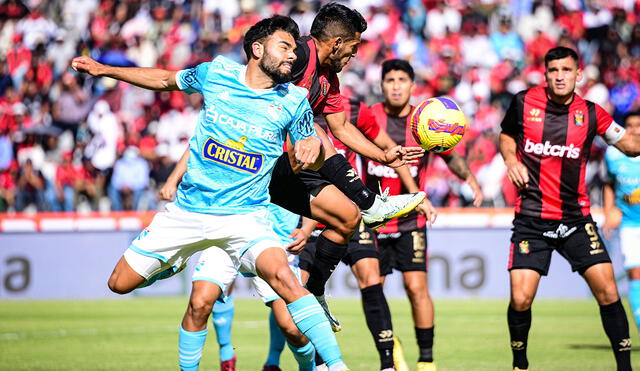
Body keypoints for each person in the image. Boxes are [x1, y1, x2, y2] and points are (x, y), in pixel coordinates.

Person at [72, 15, 351, 371]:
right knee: (119, 283)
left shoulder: (294, 100)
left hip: (246, 217)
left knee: (285, 279)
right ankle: (170, 264)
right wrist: (104, 69)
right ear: (257, 48)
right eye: (284, 47)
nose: (293, 56)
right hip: (188, 213)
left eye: (295, 51)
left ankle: (336, 365)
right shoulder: (215, 74)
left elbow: (309, 138)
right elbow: (163, 79)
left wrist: (311, 144)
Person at [167, 2, 427, 331]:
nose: (355, 56)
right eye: (353, 47)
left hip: (282, 167)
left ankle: (315, 291)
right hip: (250, 158)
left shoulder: (329, 78)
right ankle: (371, 201)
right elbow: (262, 88)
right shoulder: (298, 54)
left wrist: (383, 155)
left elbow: (342, 128)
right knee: (312, 130)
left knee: (346, 218)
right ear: (336, 43)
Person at [499, 46, 639, 371]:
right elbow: (506, 135)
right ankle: (520, 364)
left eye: (566, 70)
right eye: (553, 71)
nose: (560, 76)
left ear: (578, 74)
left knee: (607, 291)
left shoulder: (592, 113)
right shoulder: (524, 102)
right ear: (545, 74)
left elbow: (630, 146)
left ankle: (625, 367)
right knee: (521, 298)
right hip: (532, 220)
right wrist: (510, 159)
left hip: (576, 219)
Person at [363, 59, 482, 371]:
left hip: (410, 221)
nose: (396, 86)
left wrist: (467, 177)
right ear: (382, 85)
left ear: (413, 86)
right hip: (374, 221)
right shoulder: (370, 117)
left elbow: (450, 156)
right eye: (390, 80)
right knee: (374, 287)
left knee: (417, 288)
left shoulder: (425, 120)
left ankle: (426, 361)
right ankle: (389, 345)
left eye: (402, 79)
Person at [603, 111, 640, 331]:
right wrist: (610, 211)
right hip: (630, 224)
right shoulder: (614, 154)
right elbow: (609, 183)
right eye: (630, 125)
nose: (634, 129)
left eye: (638, 124)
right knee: (635, 273)